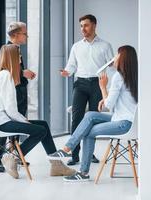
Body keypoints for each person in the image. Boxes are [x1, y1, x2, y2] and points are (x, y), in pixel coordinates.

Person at [49, 45, 138, 182]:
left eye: (117, 54)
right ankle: (68, 149)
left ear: (123, 58)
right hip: (125, 120)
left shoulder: (118, 77)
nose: (114, 57)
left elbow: (108, 106)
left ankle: (82, 170)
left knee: (88, 131)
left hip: (122, 124)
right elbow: (115, 102)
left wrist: (102, 87)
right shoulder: (132, 76)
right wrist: (105, 97)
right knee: (90, 115)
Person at [0, 44, 75, 179]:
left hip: (2, 120)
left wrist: (24, 120)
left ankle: (56, 165)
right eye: (19, 57)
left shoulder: (2, 74)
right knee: (40, 130)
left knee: (43, 125)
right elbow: (10, 109)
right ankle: (14, 157)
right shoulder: (6, 76)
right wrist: (24, 120)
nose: (21, 61)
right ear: (13, 58)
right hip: (3, 123)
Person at [60, 14, 114, 166]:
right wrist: (66, 72)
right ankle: (74, 155)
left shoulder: (105, 45)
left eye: (86, 25)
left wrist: (116, 64)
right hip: (80, 84)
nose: (83, 28)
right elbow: (71, 66)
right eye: (81, 26)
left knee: (93, 120)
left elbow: (112, 64)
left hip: (97, 84)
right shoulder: (76, 46)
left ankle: (89, 154)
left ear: (94, 25)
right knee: (76, 118)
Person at [0, 22, 36, 172]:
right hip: (12, 95)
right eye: (24, 34)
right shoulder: (7, 50)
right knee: (8, 124)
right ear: (15, 35)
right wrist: (23, 73)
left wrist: (23, 73)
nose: (27, 36)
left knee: (16, 130)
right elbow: (6, 72)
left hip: (19, 93)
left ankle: (14, 157)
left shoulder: (16, 50)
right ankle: (0, 160)